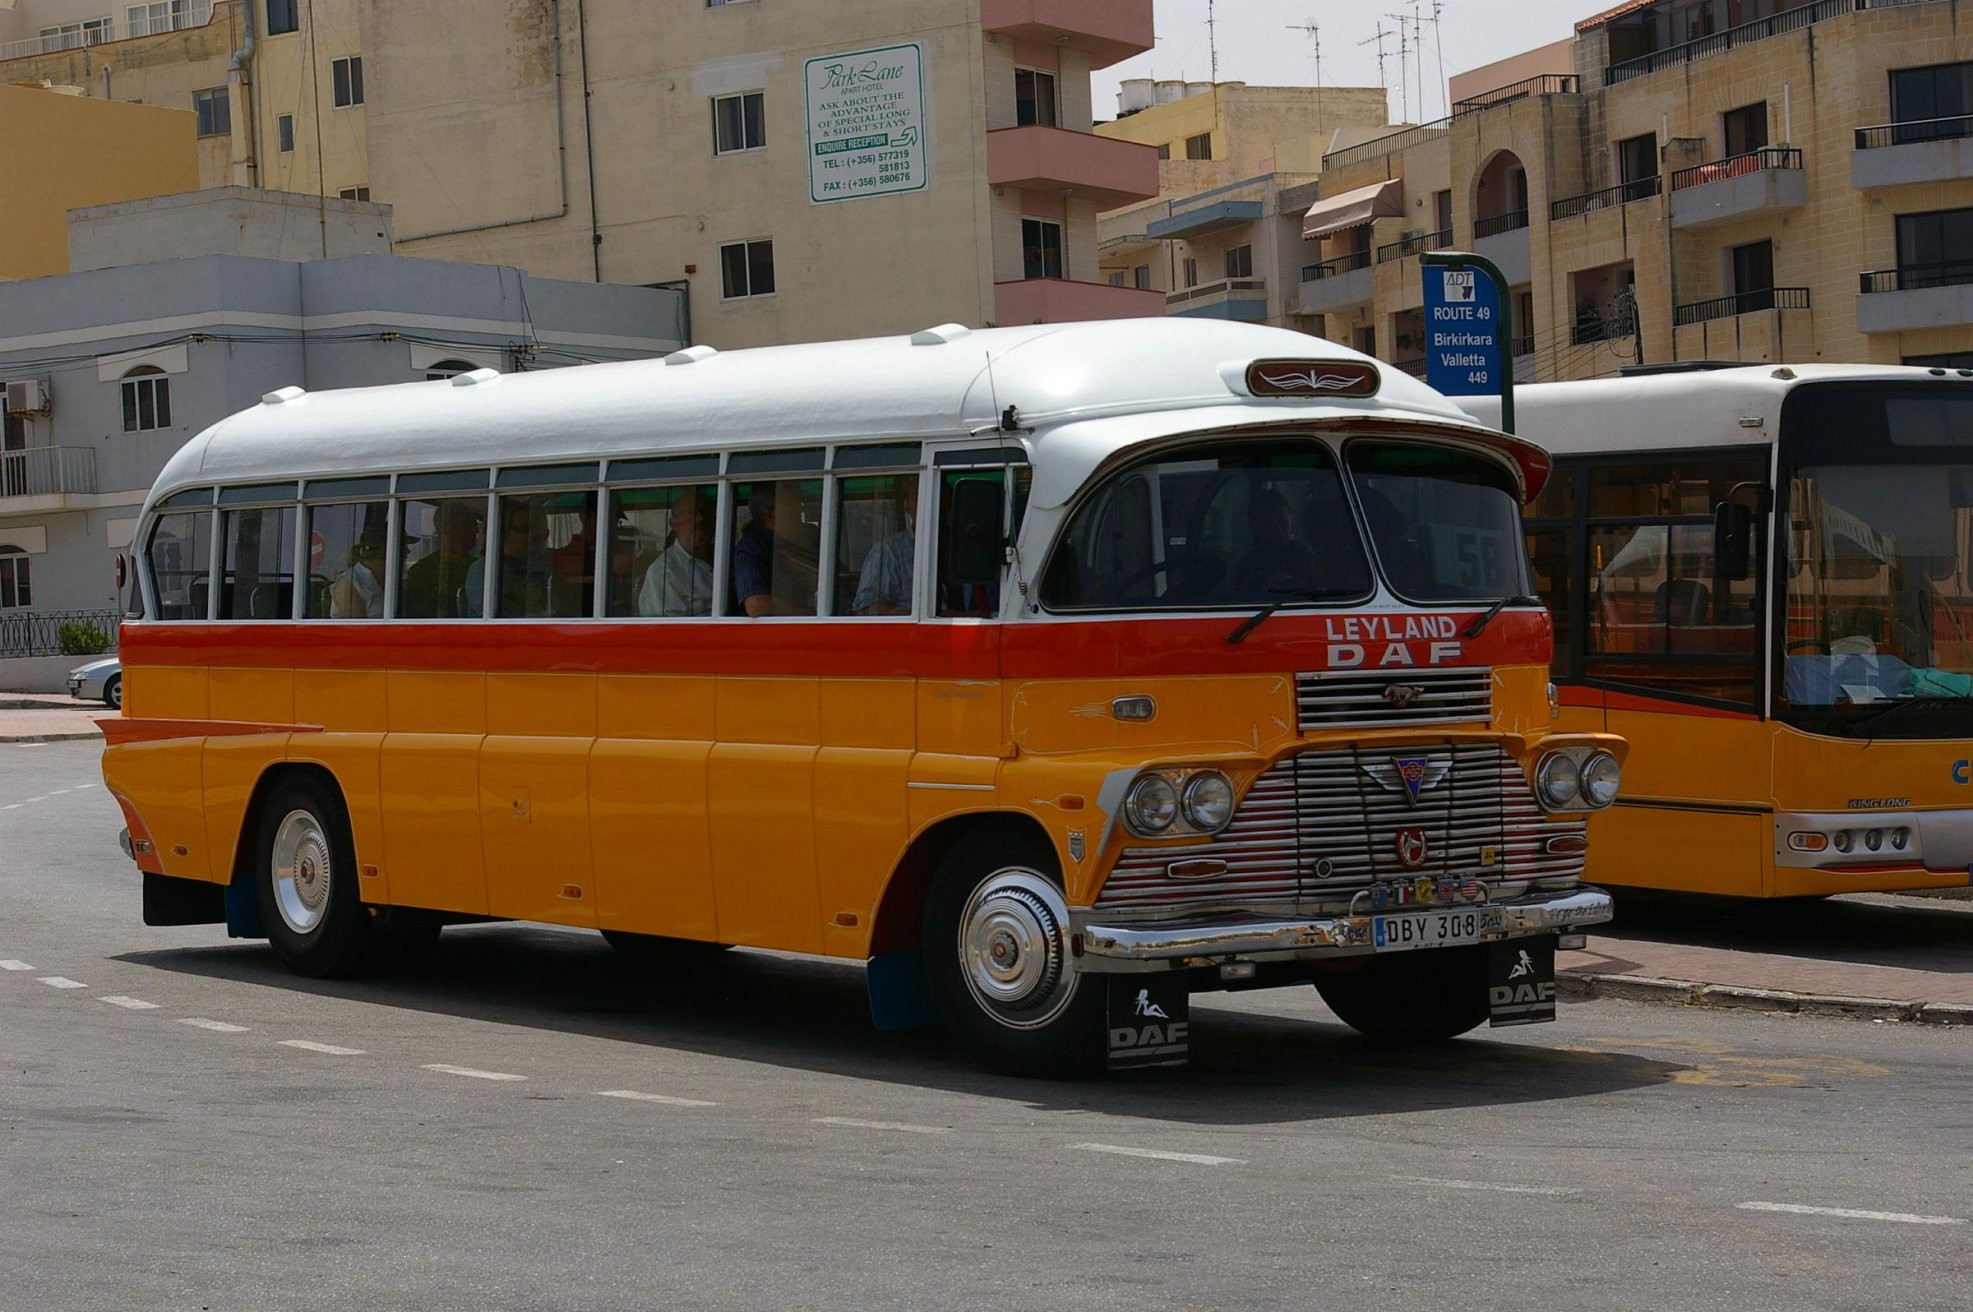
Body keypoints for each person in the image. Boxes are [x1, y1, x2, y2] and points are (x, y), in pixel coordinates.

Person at [638, 489, 715, 617]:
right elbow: (664, 632)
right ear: (673, 524)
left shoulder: (727, 558)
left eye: (705, 513)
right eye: (692, 513)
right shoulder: (664, 572)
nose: (700, 519)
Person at [401, 500, 479, 617]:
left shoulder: (419, 570)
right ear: (452, 529)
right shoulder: (478, 570)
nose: (476, 531)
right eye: (473, 526)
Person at [1234, 489, 1318, 594]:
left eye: (1282, 521)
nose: (1277, 530)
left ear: (1291, 519)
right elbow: (1238, 599)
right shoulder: (1249, 563)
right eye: (1267, 525)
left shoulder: (1306, 557)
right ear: (1254, 527)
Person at [852, 479, 917, 615]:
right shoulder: (889, 550)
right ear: (908, 505)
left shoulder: (969, 550)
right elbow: (867, 607)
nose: (928, 506)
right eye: (918, 500)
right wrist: (913, 616)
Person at [733, 490, 777, 616]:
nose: (802, 513)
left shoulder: (803, 540)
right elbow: (757, 605)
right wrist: (808, 605)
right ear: (770, 515)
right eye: (795, 508)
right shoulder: (752, 547)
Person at [328, 526, 387, 618]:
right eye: (402, 547)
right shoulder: (349, 583)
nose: (408, 552)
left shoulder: (387, 579)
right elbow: (355, 629)